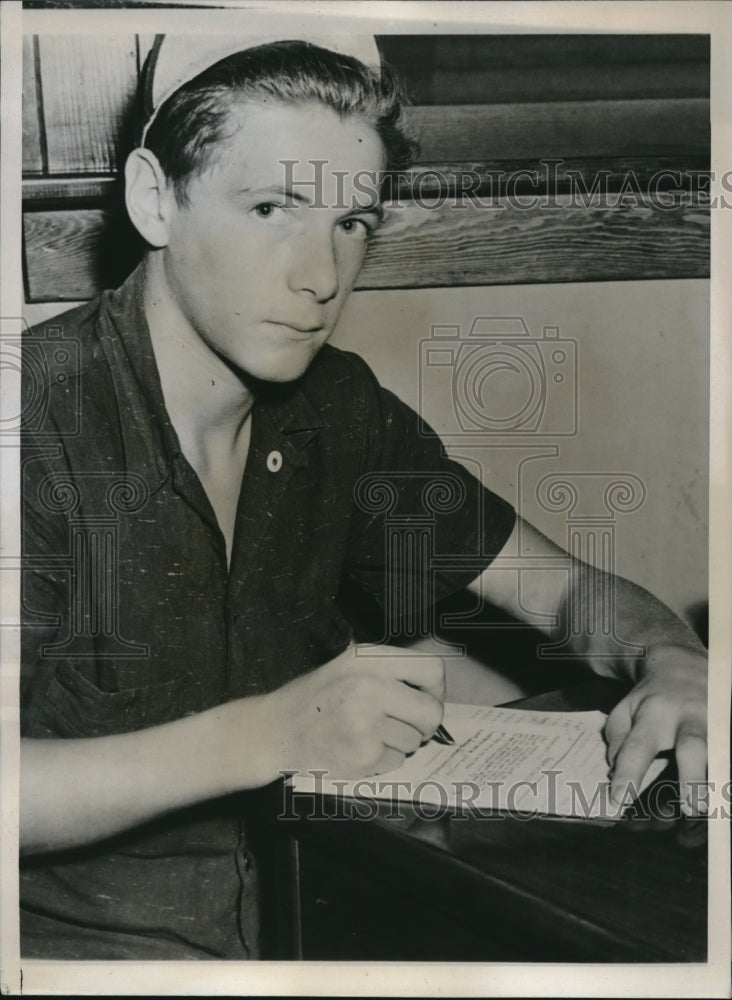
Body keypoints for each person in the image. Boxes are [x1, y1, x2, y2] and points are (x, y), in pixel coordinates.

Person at [19, 32, 707, 960]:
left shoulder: (336, 411)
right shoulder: (34, 420)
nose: (321, 277)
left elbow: (571, 594)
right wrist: (273, 731)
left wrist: (675, 660)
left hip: (315, 916)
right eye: (272, 207)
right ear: (155, 198)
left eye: (352, 223)